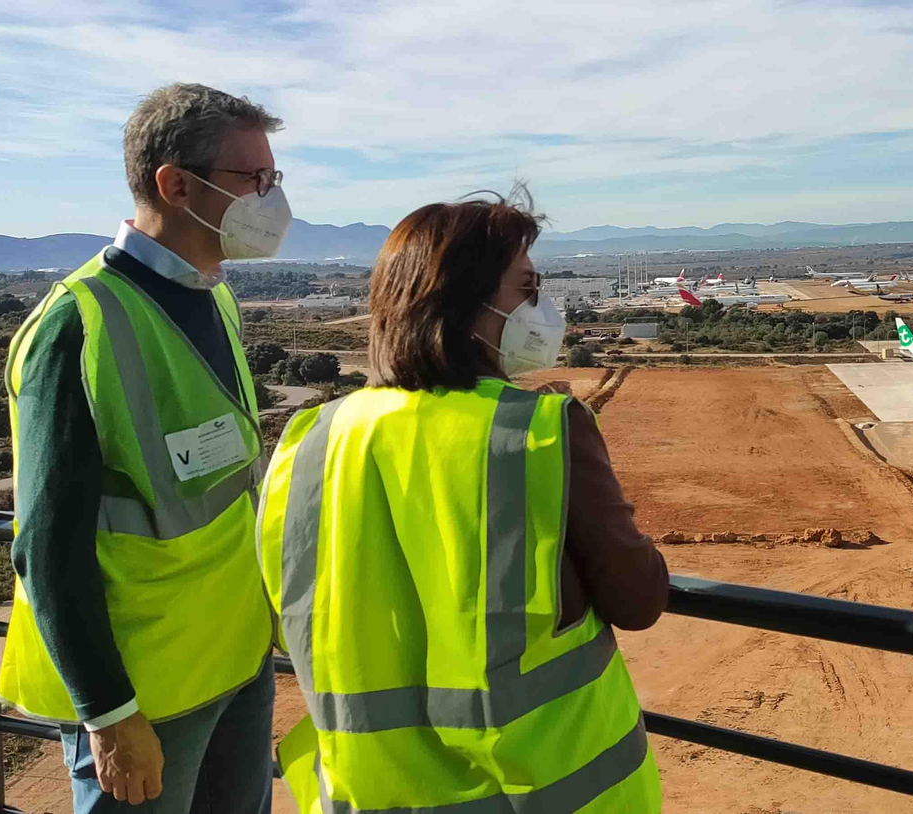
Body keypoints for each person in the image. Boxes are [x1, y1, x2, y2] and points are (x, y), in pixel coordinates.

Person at [259, 189, 668, 812]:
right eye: (525, 287)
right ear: (467, 306)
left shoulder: (310, 439)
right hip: (540, 789)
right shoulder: (542, 429)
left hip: (372, 792)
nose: (542, 307)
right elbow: (638, 600)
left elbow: (289, 612)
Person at [0, 83, 290, 812]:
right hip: (145, 697)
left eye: (273, 179)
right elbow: (50, 546)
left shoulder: (213, 295)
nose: (271, 199)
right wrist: (108, 713)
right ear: (174, 183)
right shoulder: (78, 325)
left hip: (237, 663)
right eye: (254, 180)